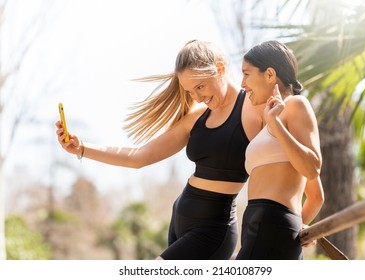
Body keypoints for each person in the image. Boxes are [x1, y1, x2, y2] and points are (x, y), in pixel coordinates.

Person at [56, 39, 264, 260]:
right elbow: (139, 157)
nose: (197, 97)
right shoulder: (198, 115)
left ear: (220, 69)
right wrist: (81, 148)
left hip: (213, 230)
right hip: (180, 221)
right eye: (190, 91)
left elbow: (287, 156)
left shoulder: (253, 110)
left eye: (200, 86)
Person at [236, 40, 324, 260]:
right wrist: (298, 227)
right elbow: (315, 196)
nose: (242, 83)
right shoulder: (272, 119)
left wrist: (274, 124)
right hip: (260, 225)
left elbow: (312, 168)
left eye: (247, 74)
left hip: (270, 223)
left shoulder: (295, 105)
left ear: (269, 74)